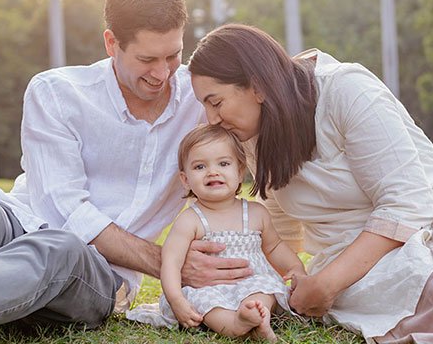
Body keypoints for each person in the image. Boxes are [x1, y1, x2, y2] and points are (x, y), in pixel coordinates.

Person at [0, 0, 252, 340]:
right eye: (147, 59)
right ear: (111, 43)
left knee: (61, 247)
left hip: (96, 274)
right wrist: (170, 263)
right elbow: (62, 208)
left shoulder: (201, 99)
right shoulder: (57, 93)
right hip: (22, 222)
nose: (162, 73)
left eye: (173, 55)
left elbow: (260, 99)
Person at [187, 23, 433, 344]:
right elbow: (279, 216)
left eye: (215, 102)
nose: (212, 119)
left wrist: (328, 284)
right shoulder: (251, 131)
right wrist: (279, 279)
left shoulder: (346, 89)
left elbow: (407, 202)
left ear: (257, 87)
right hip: (358, 256)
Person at [126, 124, 305, 342]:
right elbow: (171, 262)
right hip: (209, 289)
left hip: (250, 281)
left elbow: (275, 247)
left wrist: (295, 268)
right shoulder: (190, 220)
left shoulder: (256, 213)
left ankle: (257, 316)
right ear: (185, 179)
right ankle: (236, 324)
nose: (213, 171)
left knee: (264, 290)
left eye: (223, 163)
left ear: (240, 172)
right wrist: (176, 299)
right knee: (207, 305)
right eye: (200, 166)